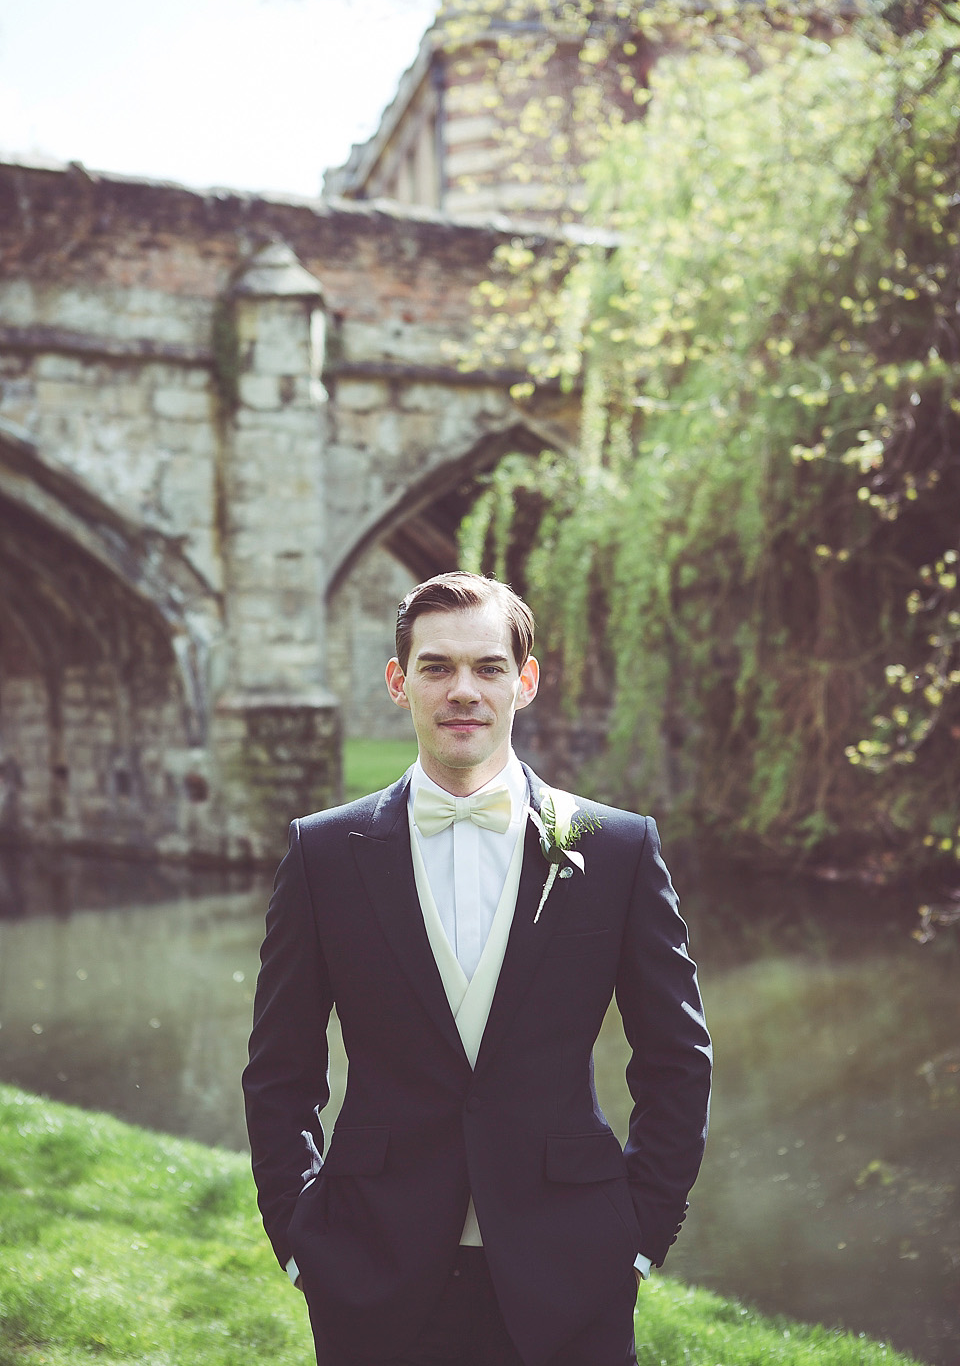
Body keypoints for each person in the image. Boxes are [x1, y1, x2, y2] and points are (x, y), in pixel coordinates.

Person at [243, 571, 711, 1366]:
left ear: (524, 682)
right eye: (437, 667)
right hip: (372, 1266)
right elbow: (281, 1068)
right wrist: (299, 1236)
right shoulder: (322, 853)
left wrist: (640, 1232)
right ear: (400, 682)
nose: (464, 690)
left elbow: (675, 1059)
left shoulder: (619, 847)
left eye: (488, 667)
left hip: (573, 1266)